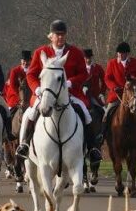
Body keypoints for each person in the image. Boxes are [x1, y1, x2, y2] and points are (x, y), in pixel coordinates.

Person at [16, 20, 101, 163]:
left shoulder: (75, 53)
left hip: (70, 94)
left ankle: (92, 149)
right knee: (31, 113)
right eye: (57, 35)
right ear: (51, 36)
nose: (61, 37)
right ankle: (24, 144)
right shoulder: (40, 52)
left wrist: (70, 82)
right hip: (45, 94)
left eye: (63, 34)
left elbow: (83, 74)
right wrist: (37, 88)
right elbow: (31, 74)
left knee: (86, 114)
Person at [102, 42, 136, 146]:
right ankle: (102, 135)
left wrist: (135, 82)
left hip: (132, 95)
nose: (120, 55)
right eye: (119, 53)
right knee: (107, 114)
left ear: (127, 54)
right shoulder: (112, 63)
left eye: (122, 53)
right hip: (117, 95)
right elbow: (107, 78)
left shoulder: (135, 62)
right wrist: (114, 87)